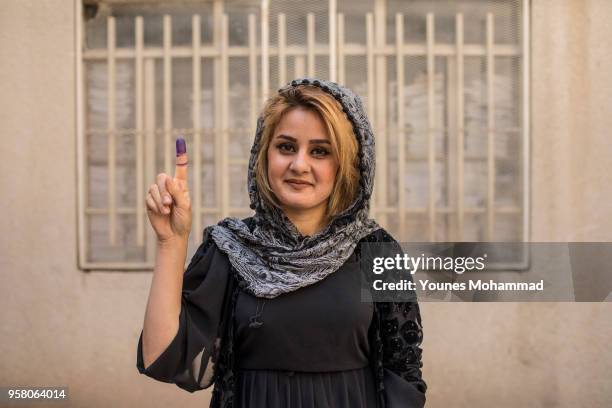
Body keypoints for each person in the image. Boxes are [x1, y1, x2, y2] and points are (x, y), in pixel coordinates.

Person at [137, 77, 427, 408]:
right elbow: (162, 355)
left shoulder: (377, 250)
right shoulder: (231, 248)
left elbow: (404, 376)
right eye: (286, 147)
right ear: (264, 154)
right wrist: (170, 241)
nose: (299, 164)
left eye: (320, 151)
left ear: (347, 165)